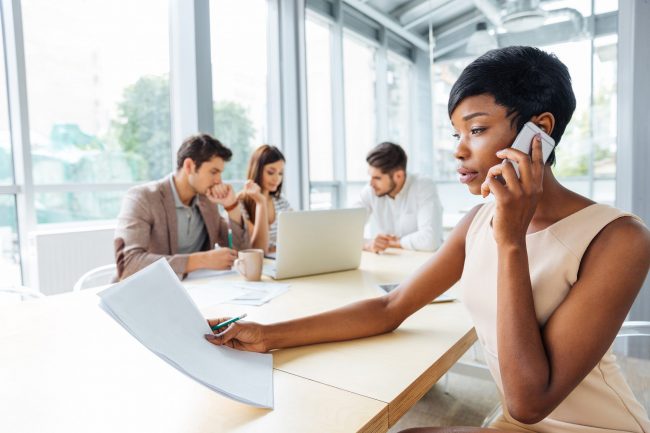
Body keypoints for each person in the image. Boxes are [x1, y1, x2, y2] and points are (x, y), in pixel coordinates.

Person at [204, 46, 650, 432]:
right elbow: (389, 307)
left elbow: (529, 401)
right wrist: (267, 335)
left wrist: (511, 242)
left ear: (540, 131)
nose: (458, 149)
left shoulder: (620, 239)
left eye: (475, 130)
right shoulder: (477, 221)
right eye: (456, 133)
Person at [114, 133, 254, 280]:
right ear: (189, 166)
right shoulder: (142, 198)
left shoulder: (207, 201)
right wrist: (201, 260)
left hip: (198, 289)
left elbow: (243, 252)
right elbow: (128, 264)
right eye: (213, 172)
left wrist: (232, 206)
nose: (219, 181)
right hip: (146, 291)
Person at [355, 142, 443, 253]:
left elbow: (430, 240)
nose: (371, 183)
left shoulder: (423, 186)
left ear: (399, 176)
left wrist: (391, 243)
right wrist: (368, 244)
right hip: (390, 262)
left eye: (377, 178)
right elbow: (345, 232)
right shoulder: (370, 190)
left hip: (424, 262)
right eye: (370, 176)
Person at [240, 145, 292, 254]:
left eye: (280, 173)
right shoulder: (240, 203)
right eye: (271, 172)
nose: (276, 178)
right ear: (257, 170)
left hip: (279, 259)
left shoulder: (282, 202)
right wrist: (261, 202)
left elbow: (295, 240)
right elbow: (258, 249)